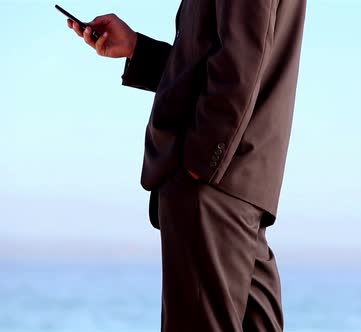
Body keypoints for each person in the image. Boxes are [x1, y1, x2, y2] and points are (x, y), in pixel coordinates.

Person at [66, 1, 306, 331]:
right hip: (239, 184)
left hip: (211, 185)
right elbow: (218, 61)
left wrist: (202, 163)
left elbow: (242, 61)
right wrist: (137, 48)